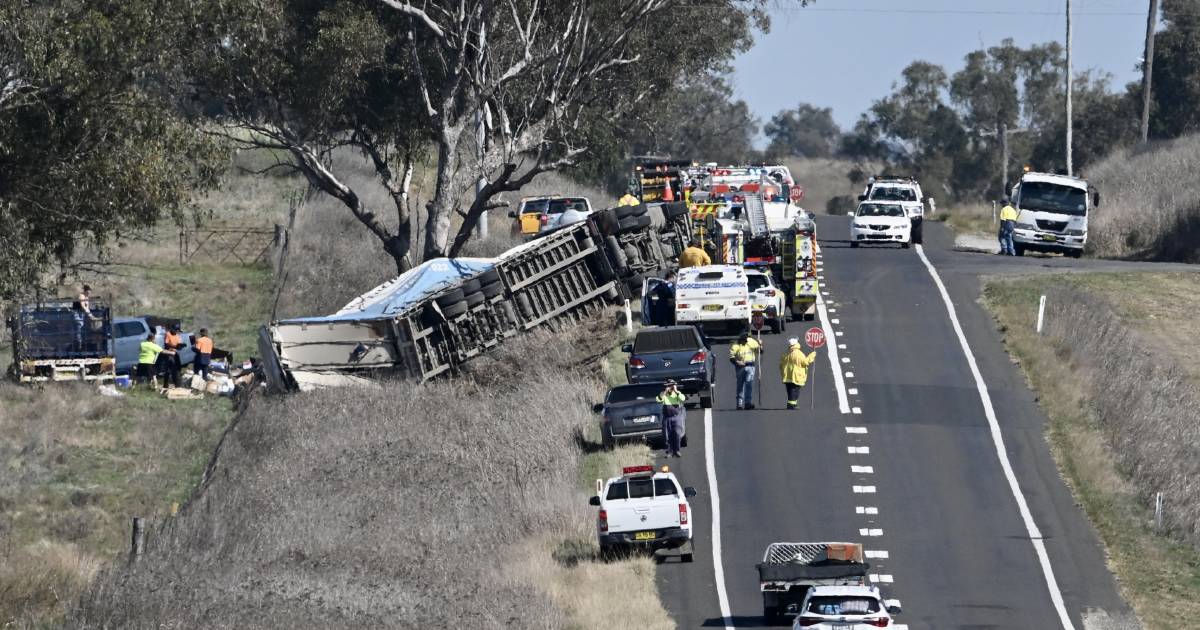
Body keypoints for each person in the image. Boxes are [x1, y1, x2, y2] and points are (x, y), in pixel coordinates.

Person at [780, 338, 817, 410]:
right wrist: (812, 355)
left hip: (787, 376)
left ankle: (791, 404)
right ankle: (792, 405)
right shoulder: (798, 354)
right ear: (796, 344)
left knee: (790, 390)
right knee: (795, 390)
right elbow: (805, 362)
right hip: (796, 376)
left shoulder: (786, 353)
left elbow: (781, 365)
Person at [729, 332, 762, 410]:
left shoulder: (751, 342)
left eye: (746, 339)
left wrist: (760, 345)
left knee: (749, 385)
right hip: (740, 368)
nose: (745, 341)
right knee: (740, 385)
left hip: (750, 366)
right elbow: (731, 357)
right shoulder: (735, 345)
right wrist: (737, 362)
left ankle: (748, 403)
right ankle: (739, 404)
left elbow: (760, 351)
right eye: (744, 340)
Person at [657, 380, 687, 458]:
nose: (670, 388)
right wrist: (665, 391)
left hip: (676, 417)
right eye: (669, 386)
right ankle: (669, 451)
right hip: (667, 417)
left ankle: (676, 450)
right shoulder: (664, 394)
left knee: (677, 433)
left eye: (672, 386)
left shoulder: (677, 394)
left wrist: (676, 391)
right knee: (667, 435)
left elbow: (683, 399)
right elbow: (658, 399)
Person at [72, 284, 96, 352]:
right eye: (89, 291)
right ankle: (78, 344)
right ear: (86, 290)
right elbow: (83, 306)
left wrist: (90, 315)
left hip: (82, 313)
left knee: (82, 326)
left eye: (90, 291)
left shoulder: (87, 297)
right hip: (76, 312)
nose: (90, 292)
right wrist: (89, 315)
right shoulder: (81, 296)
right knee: (79, 325)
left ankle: (82, 343)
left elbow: (87, 307)